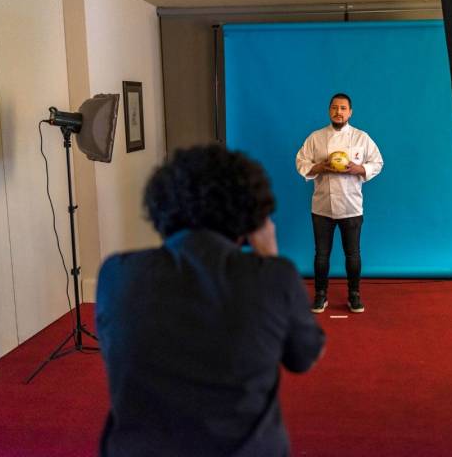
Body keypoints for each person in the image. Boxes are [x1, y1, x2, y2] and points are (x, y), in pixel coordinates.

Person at [96, 145, 325, 457]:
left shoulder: (117, 274)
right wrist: (270, 257)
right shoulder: (274, 278)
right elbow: (303, 356)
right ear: (251, 214)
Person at [296, 93, 384, 314]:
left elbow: (378, 162)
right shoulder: (316, 137)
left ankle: (354, 295)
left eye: (343, 108)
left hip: (351, 206)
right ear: (329, 111)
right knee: (321, 254)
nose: (339, 112)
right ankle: (320, 295)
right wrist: (319, 167)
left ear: (350, 112)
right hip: (322, 206)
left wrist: (360, 169)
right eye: (335, 108)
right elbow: (301, 161)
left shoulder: (361, 138)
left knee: (353, 254)